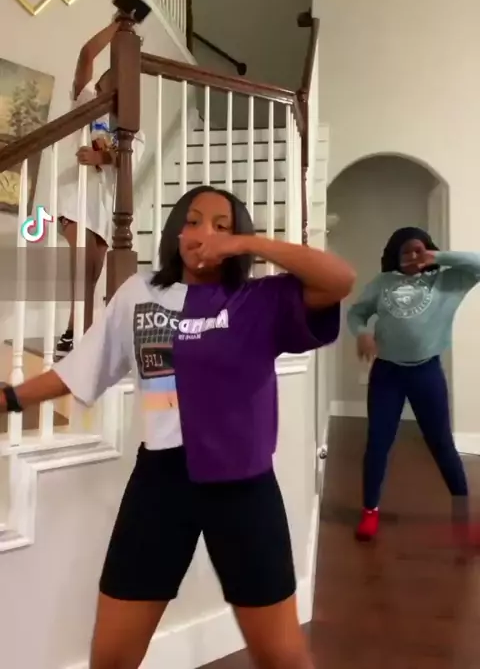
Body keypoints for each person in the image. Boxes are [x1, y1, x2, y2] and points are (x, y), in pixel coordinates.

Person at [0, 185, 355, 669]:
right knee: (111, 658)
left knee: (282, 657)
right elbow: (81, 368)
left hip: (243, 487)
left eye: (222, 225)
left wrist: (249, 244)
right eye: (193, 221)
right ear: (176, 232)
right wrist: (11, 397)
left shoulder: (259, 300)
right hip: (160, 484)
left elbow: (340, 279)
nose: (204, 232)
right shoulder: (138, 293)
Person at [347, 226, 480, 542]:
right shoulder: (382, 283)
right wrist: (362, 333)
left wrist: (438, 258)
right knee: (378, 443)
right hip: (387, 375)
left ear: (428, 250)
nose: (412, 256)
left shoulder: (447, 281)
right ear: (395, 255)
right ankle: (370, 512)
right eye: (405, 251)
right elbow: (356, 313)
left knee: (442, 444)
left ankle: (463, 519)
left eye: (418, 250)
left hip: (426, 373)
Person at [56, 16, 145, 356]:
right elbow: (86, 55)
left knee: (91, 274)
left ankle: (75, 333)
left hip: (105, 207)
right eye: (111, 85)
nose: (114, 92)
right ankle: (78, 334)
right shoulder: (87, 104)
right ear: (101, 88)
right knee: (83, 264)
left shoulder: (132, 128)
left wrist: (101, 158)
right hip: (75, 198)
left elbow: (127, 160)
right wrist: (117, 25)